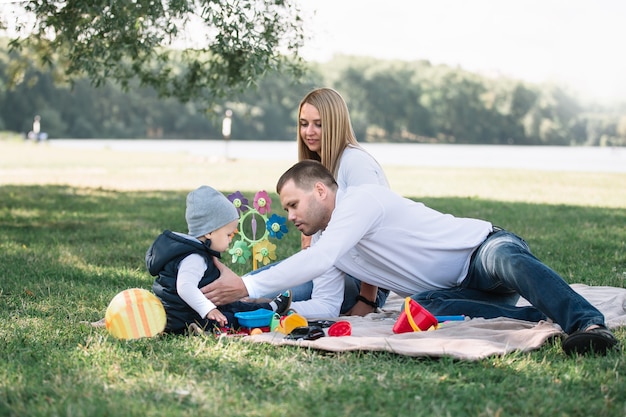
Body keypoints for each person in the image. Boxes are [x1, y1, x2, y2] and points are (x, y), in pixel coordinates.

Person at [204, 160, 619, 355]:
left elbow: (319, 258)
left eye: (293, 204)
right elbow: (329, 304)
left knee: (509, 261)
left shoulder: (360, 201)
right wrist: (259, 309)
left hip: (479, 250)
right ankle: (546, 315)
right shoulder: (328, 241)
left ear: (320, 191)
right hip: (452, 293)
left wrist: (248, 283)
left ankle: (588, 323)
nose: (290, 215)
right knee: (417, 309)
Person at [282, 87, 391, 316]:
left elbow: (374, 235)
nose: (309, 132)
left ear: (335, 124)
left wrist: (367, 300)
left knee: (279, 293)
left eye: (318, 124)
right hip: (327, 269)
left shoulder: (355, 163)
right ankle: (203, 304)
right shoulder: (319, 167)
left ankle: (217, 309)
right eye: (304, 123)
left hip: (363, 281)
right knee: (257, 282)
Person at [146, 185, 291, 334]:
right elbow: (185, 287)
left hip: (188, 312)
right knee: (232, 318)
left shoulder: (192, 251)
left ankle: (270, 308)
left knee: (234, 305)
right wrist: (208, 309)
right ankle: (269, 313)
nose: (230, 240)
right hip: (186, 316)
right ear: (209, 232)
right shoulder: (194, 257)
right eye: (228, 235)